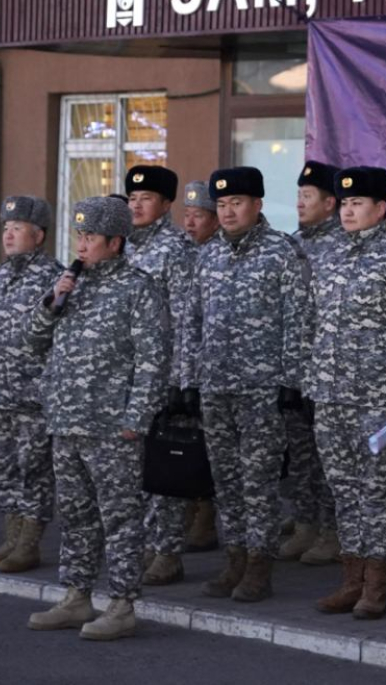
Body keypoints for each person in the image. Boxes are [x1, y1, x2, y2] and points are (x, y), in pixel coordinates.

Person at [25, 196, 167, 641]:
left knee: (120, 518)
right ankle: (77, 595)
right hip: (67, 420)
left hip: (112, 427)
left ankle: (122, 603)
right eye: (79, 236)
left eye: (90, 237)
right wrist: (53, 301)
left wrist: (136, 418)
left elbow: (153, 360)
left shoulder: (139, 288)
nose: (81, 245)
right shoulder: (72, 284)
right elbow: (33, 342)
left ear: (115, 241)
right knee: (75, 514)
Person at [182, 166, 312, 603]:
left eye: (237, 203)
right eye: (221, 204)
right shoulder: (209, 255)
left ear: (257, 205)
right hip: (216, 384)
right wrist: (188, 378)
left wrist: (292, 379)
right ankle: (234, 557)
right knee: (225, 479)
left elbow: (299, 319)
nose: (228, 212)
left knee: (258, 480)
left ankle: (259, 564)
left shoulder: (282, 252)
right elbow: (192, 322)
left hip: (262, 389)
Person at [308, 166, 386, 620]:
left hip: (377, 396)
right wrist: (310, 381)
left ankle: (376, 585)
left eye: (358, 203)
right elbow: (315, 324)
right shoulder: (329, 254)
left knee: (377, 491)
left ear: (381, 209)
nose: (348, 211)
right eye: (345, 203)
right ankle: (351, 579)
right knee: (343, 489)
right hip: (330, 392)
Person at [0, 196, 64, 573]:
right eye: (5, 228)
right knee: (4, 467)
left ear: (38, 235)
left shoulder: (55, 277)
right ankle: (10, 538)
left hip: (32, 396)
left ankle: (29, 544)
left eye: (17, 228)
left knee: (33, 470)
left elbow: (60, 339)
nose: (7, 235)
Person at [123, 165, 197, 587]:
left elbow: (186, 319)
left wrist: (182, 380)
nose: (136, 205)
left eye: (146, 198)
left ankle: (167, 552)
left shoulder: (175, 249)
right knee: (132, 467)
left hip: (163, 375)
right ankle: (145, 545)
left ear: (166, 204)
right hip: (126, 376)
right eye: (132, 198)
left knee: (164, 464)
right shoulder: (122, 245)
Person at [282, 160, 343, 566]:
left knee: (329, 460)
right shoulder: (292, 244)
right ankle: (304, 522)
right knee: (301, 453)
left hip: (330, 370)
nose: (300, 203)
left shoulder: (341, 246)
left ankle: (330, 529)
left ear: (330, 202)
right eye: (299, 196)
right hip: (295, 366)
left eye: (308, 196)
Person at [178, 179, 221, 553]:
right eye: (187, 214)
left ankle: (206, 519)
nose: (190, 223)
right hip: (188, 367)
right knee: (186, 446)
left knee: (211, 450)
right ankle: (191, 514)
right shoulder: (183, 252)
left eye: (199, 216)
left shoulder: (221, 254)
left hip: (221, 371)